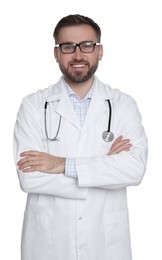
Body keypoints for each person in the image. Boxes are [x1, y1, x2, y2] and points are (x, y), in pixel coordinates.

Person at [14, 14, 148, 260]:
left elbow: (134, 169)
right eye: (68, 47)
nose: (78, 55)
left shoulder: (123, 105)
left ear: (100, 51)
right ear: (56, 54)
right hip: (48, 243)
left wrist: (62, 164)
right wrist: (103, 168)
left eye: (87, 45)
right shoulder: (33, 105)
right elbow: (29, 179)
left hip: (106, 244)